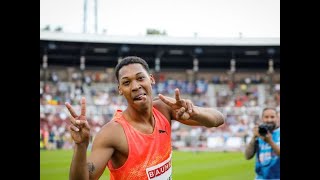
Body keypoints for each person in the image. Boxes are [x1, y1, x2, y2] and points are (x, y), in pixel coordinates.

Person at [65, 56, 225, 180]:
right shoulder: (113, 133)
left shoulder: (165, 108)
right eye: (126, 82)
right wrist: (80, 146)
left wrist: (195, 112)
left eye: (140, 78)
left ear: (151, 79)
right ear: (120, 89)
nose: (135, 86)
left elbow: (218, 119)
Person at [244, 107, 280, 180]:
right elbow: (247, 156)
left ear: (277, 118)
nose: (269, 120)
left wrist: (270, 142)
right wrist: (254, 137)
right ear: (262, 119)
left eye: (272, 117)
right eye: (266, 117)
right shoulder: (260, 133)